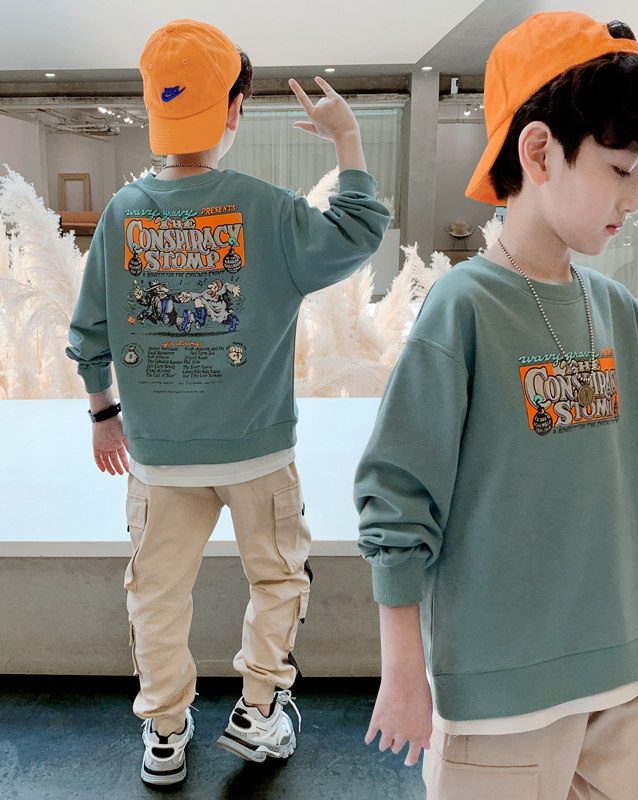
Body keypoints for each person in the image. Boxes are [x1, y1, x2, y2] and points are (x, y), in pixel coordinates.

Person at [354, 12, 638, 800]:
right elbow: (398, 502)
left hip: (629, 688)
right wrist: (403, 673)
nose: (633, 199)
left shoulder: (612, 309)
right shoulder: (462, 309)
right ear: (538, 152)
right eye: (620, 170)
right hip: (500, 705)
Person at [66, 19, 390, 786]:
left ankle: (164, 734)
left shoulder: (122, 213)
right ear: (234, 108)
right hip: (259, 452)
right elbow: (359, 230)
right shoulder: (267, 210)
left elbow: (89, 332)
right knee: (277, 580)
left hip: (158, 457)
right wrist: (347, 139)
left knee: (156, 597)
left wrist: (104, 414)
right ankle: (259, 710)